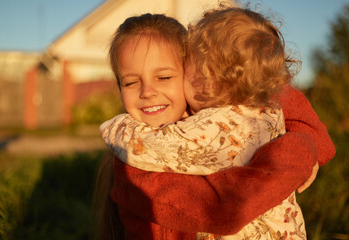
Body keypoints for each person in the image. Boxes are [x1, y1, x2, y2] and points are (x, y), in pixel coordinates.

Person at [94, 10, 335, 240]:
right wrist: (296, 157)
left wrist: (305, 144)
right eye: (131, 82)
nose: (147, 92)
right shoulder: (133, 163)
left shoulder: (225, 114)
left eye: (165, 77)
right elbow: (219, 210)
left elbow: (272, 92)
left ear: (196, 70)